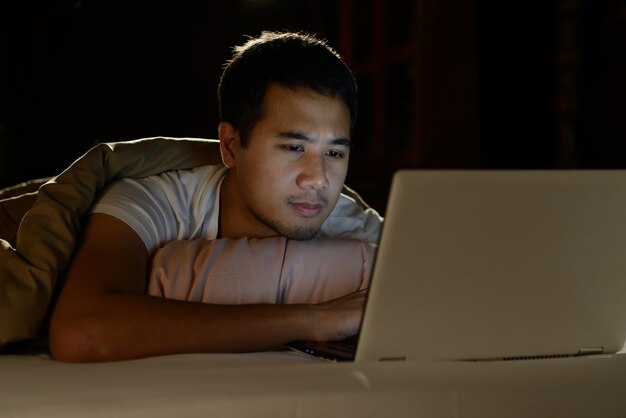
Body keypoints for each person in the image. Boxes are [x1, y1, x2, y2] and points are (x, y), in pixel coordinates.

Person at [49, 31, 383, 362]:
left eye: (335, 154)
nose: (318, 179)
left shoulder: (356, 226)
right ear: (231, 146)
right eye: (295, 148)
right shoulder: (152, 201)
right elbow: (81, 332)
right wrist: (312, 319)